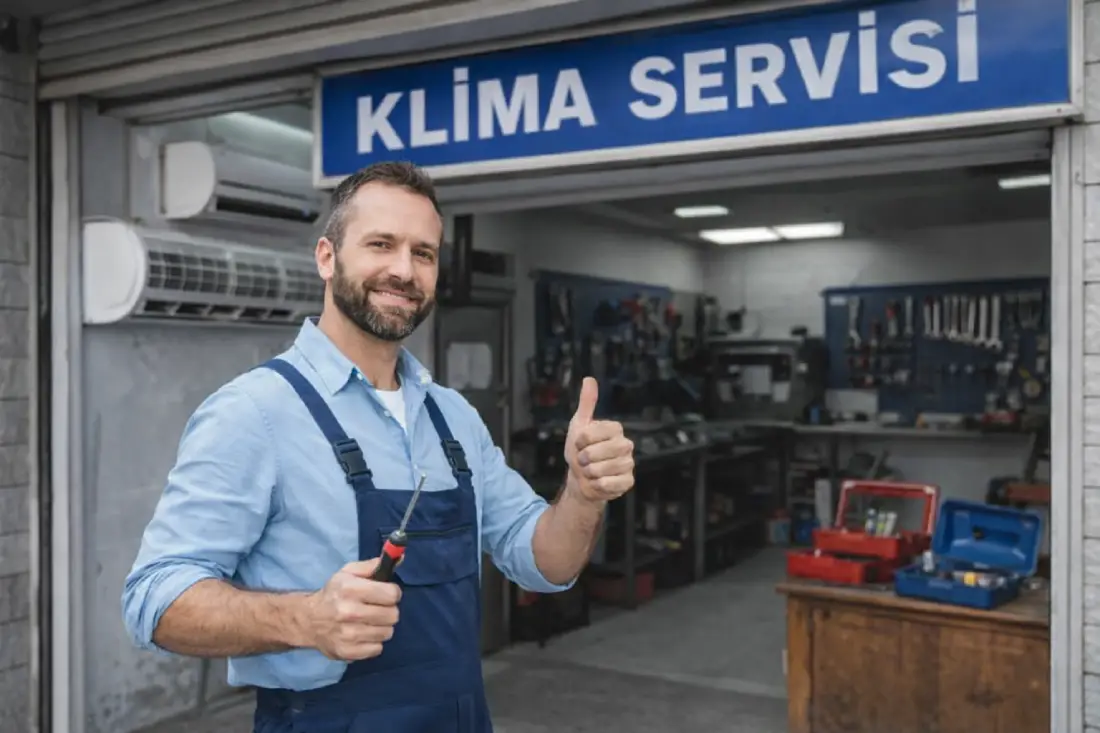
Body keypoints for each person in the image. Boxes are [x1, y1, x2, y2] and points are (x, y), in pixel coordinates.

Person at [121, 160, 636, 733]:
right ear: (326, 256)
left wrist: (585, 494)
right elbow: (154, 597)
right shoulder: (255, 413)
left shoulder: (453, 418)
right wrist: (306, 620)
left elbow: (546, 563)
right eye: (381, 244)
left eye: (423, 253)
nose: (403, 270)